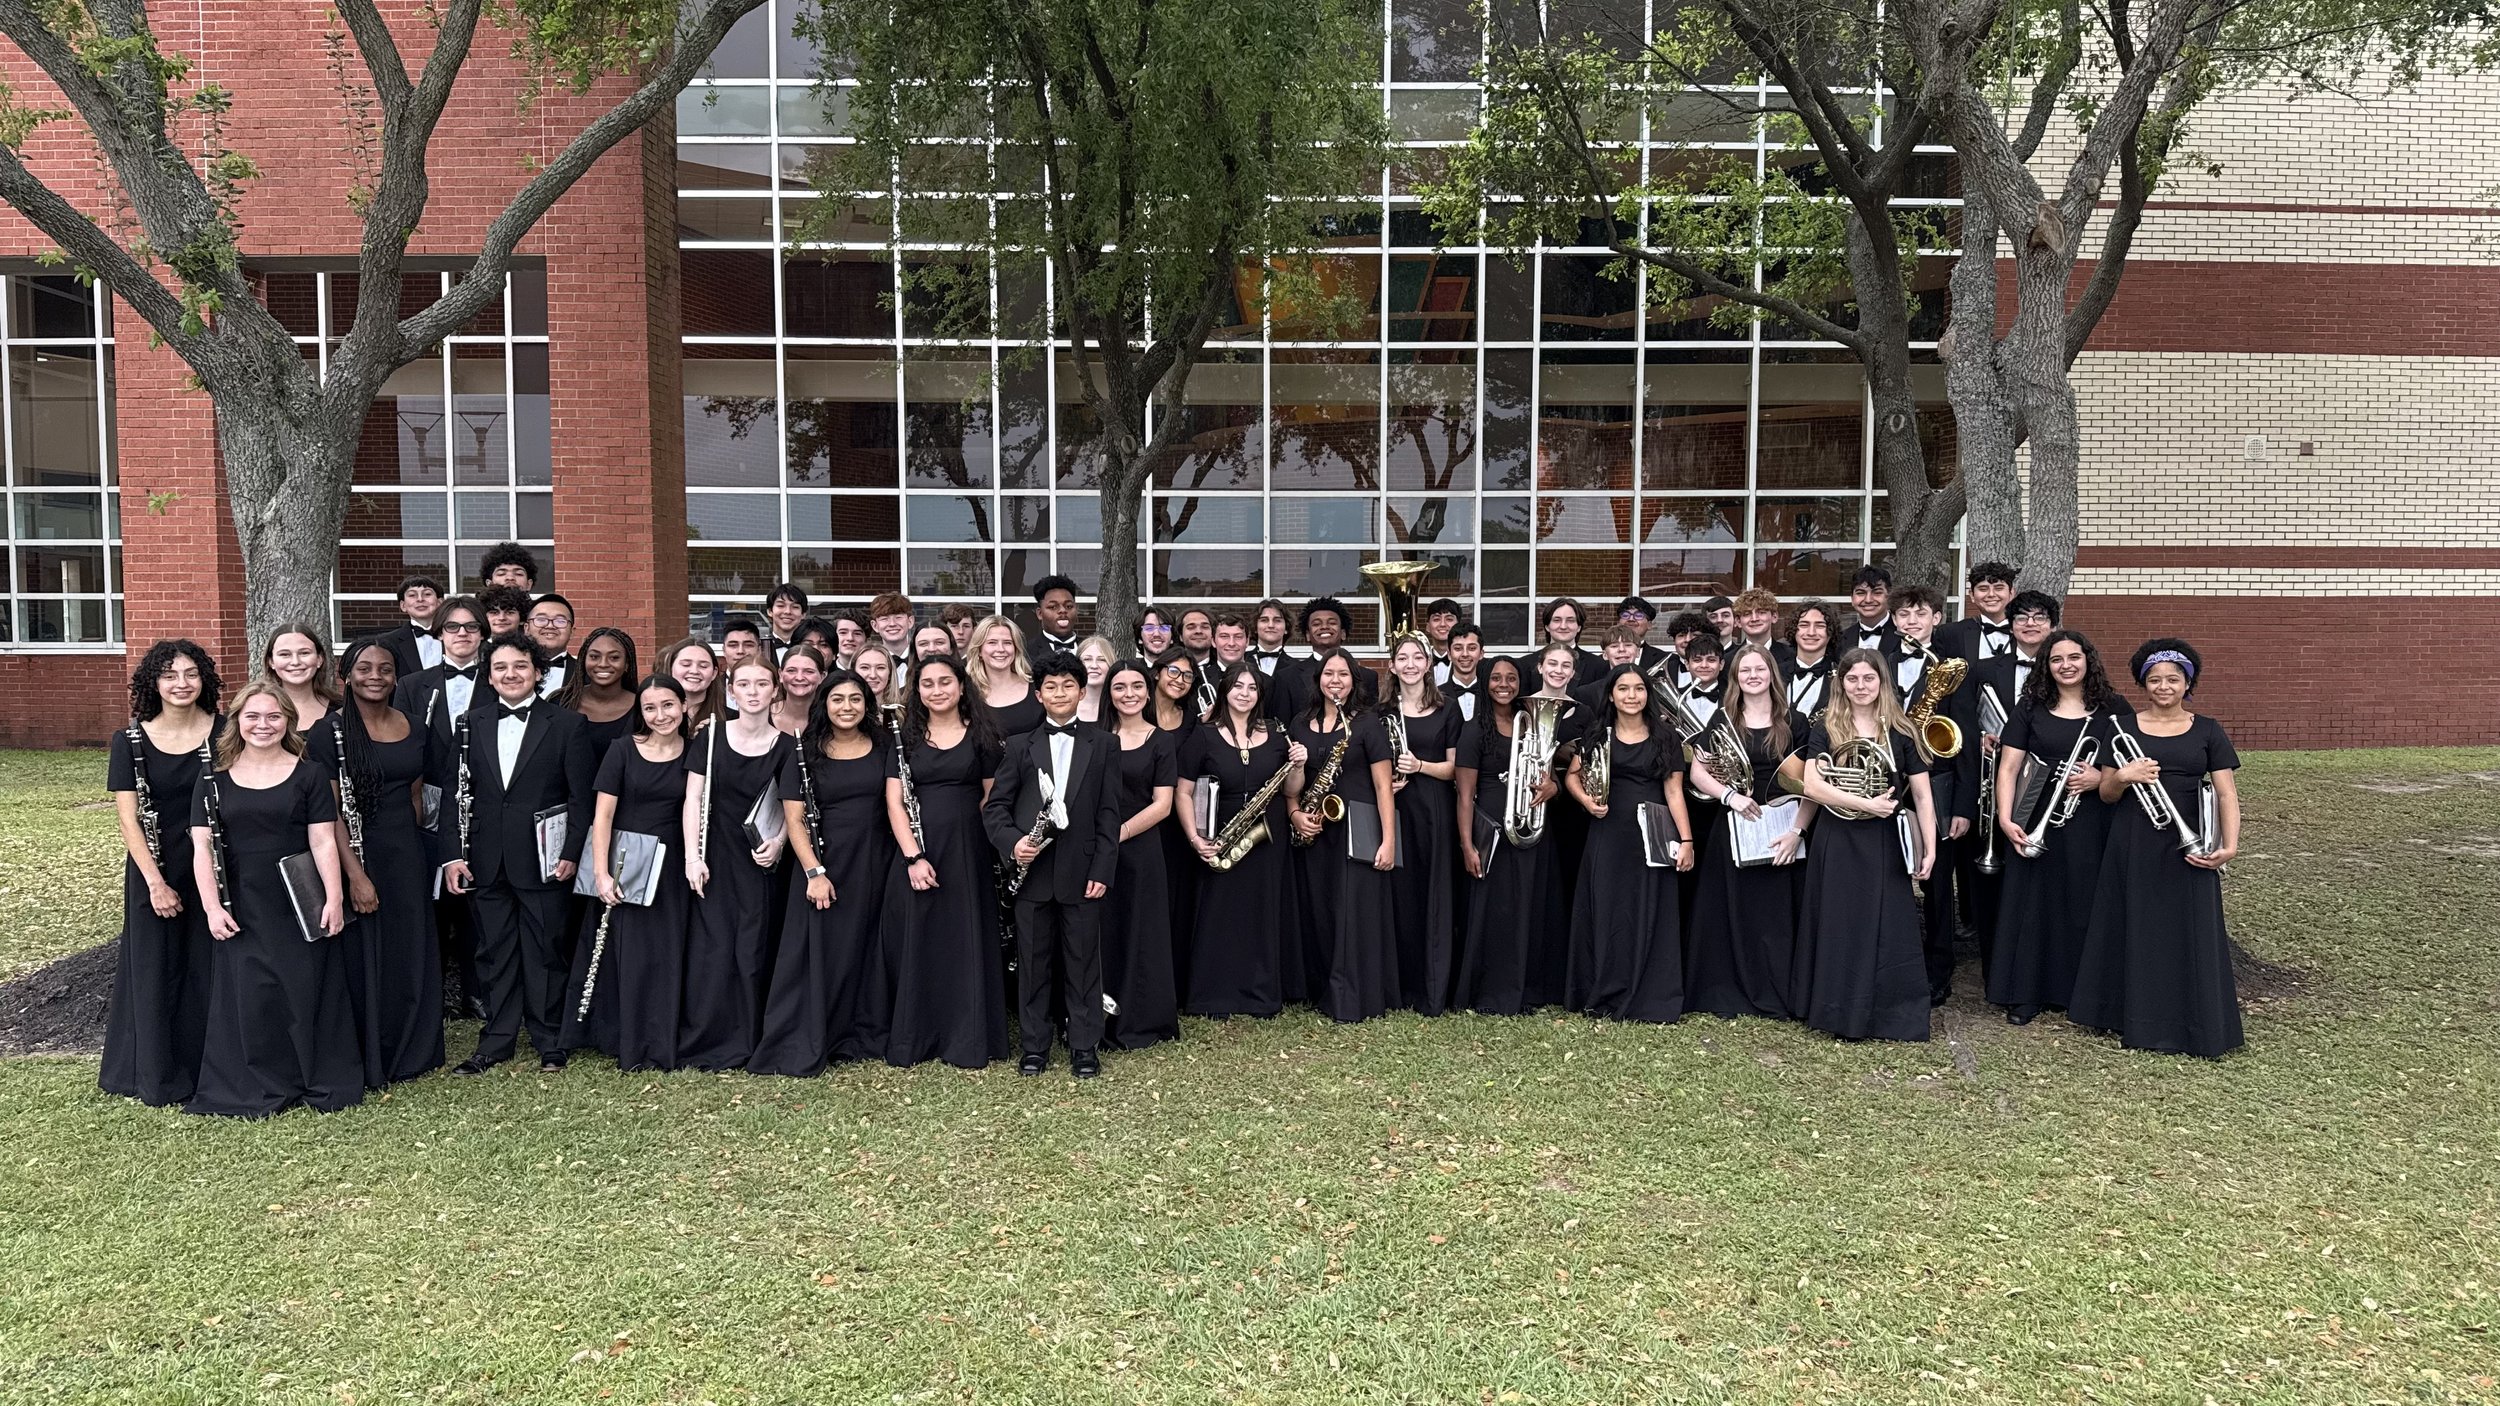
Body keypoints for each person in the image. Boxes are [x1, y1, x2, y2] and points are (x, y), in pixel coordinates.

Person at [184, 682, 360, 1117]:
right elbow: (201, 848)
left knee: (303, 988)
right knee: (251, 992)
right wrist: (211, 907)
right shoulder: (212, 780)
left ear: (288, 721)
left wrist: (334, 899)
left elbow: (322, 841)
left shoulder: (309, 774)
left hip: (297, 899)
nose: (263, 725)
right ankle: (260, 1082)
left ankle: (310, 1077)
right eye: (253, 717)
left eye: (273, 716)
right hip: (241, 900)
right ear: (237, 722)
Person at [2068, 640, 2244, 1058]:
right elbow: (2108, 794)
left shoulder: (2208, 730)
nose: (2164, 687)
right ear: (2143, 684)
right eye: (2154, 680)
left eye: (2173, 679)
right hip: (2134, 838)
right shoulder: (2121, 726)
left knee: (2187, 928)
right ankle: (2129, 1016)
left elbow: (2226, 795)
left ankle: (2191, 1020)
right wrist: (2125, 774)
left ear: (2188, 683)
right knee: (2133, 924)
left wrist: (2230, 846)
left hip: (2190, 840)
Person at [439, 634, 596, 1075]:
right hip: (485, 859)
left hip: (544, 859)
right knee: (494, 951)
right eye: (501, 668)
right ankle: (496, 1040)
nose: (511, 675)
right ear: (489, 676)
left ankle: (550, 1039)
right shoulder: (470, 723)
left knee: (546, 948)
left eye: (521, 666)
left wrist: (570, 852)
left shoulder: (568, 725)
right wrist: (452, 855)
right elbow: (454, 794)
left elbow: (580, 798)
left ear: (538, 671)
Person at [984, 654, 1124, 1078]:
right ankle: (1035, 1047)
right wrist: (1013, 845)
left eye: (1068, 686)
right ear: (1038, 693)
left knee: (1083, 962)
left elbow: (1109, 813)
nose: (1059, 693)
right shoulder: (1019, 744)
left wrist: (1102, 869)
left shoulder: (1104, 744)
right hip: (1032, 875)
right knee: (1032, 962)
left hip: (1082, 874)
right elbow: (996, 809)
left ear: (1082, 692)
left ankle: (1084, 1046)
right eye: (1051, 686)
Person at [750, 670, 892, 1076]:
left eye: (855, 699)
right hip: (822, 865)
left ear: (867, 704)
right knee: (818, 951)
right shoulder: (804, 751)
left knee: (864, 947)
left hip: (873, 860)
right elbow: (793, 821)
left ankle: (858, 1034)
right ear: (823, 705)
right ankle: (813, 1035)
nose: (846, 707)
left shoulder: (884, 747)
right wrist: (814, 872)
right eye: (837, 700)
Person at [1792, 648, 1938, 1043]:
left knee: (1887, 923)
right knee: (1839, 922)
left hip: (1884, 838)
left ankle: (1889, 1014)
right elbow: (1813, 786)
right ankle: (1836, 1008)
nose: (1860, 686)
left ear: (1882, 682)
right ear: (1841, 683)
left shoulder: (1902, 730)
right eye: (1852, 679)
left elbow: (1922, 795)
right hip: (1837, 838)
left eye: (1868, 679)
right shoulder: (1826, 728)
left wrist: (1930, 847)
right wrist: (1866, 804)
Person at [314, 638, 443, 1087]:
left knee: (409, 948)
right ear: (345, 677)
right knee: (366, 953)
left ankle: (413, 1050)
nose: (375, 676)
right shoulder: (327, 733)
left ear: (396, 676)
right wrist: (355, 877)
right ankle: (372, 1053)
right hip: (358, 854)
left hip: (406, 851)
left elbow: (415, 796)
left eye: (385, 669)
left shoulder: (412, 725)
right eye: (364, 668)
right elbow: (326, 813)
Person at [101, 640, 223, 1107]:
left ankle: (209, 1067)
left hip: (215, 867)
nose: (181, 684)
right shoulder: (128, 741)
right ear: (154, 682)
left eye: (191, 674)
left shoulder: (227, 731)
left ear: (204, 680)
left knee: (209, 965)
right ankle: (156, 1072)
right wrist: (154, 882)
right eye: (170, 675)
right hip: (157, 870)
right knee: (156, 968)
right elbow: (128, 820)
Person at [873, 655, 1008, 1069]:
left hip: (968, 851)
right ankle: (920, 1035)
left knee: (965, 939)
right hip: (918, 850)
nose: (937, 690)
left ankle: (966, 1036)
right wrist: (913, 856)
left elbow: (992, 796)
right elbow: (894, 802)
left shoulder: (982, 736)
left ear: (961, 686)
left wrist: (974, 836)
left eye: (945, 682)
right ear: (918, 691)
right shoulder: (904, 739)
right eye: (927, 684)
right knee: (921, 939)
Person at [1985, 629, 2118, 1025]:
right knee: (2032, 905)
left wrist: (2099, 779)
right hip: (2033, 814)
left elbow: (2126, 763)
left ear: (2088, 660)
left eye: (2074, 657)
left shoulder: (2112, 707)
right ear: (2046, 665)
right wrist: (2005, 818)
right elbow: (2007, 767)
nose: (2066, 666)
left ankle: (2077, 992)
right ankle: (2025, 994)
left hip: (2090, 819)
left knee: (2081, 903)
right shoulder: (2030, 707)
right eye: (2056, 659)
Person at [568, 674, 694, 1073]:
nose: (661, 715)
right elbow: (602, 816)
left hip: (673, 866)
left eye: (669, 705)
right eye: (651, 707)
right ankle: (624, 1034)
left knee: (667, 951)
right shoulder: (622, 749)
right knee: (628, 953)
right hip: (626, 863)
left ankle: (663, 1035)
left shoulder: (696, 753)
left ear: (684, 706)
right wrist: (601, 873)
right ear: (640, 712)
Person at [1682, 644, 1814, 1020]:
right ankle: (1730, 988)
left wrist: (1797, 833)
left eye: (1759, 669)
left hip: (1785, 829)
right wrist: (1730, 797)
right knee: (1732, 912)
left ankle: (1776, 989)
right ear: (1735, 678)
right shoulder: (1723, 721)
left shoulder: (1797, 721)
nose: (1753, 676)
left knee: (1775, 917)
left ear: (1772, 673)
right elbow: (1697, 771)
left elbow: (1810, 783)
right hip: (1738, 826)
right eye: (1745, 671)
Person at [1560, 664, 1693, 1022]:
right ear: (1611, 694)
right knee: (1607, 909)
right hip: (1608, 832)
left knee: (1650, 909)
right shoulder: (1597, 734)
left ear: (1648, 694)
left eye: (1638, 688)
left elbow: (1674, 792)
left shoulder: (1666, 736)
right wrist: (1586, 801)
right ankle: (1606, 988)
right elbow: (1573, 776)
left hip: (1653, 831)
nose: (1631, 696)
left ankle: (1650, 994)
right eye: (1623, 688)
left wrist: (1687, 840)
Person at [678, 660, 792, 1071]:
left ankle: (748, 1039)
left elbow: (791, 809)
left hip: (759, 860)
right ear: (730, 689)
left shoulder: (787, 745)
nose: (753, 691)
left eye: (762, 683)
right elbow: (692, 799)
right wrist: (692, 856)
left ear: (775, 689)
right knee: (712, 949)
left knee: (752, 949)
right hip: (715, 857)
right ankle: (706, 1037)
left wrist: (779, 844)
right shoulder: (709, 738)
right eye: (744, 683)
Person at [1176, 663, 1306, 1018]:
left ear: (1260, 696)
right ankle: (1213, 995)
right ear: (1225, 690)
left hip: (1268, 836)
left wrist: (1298, 765)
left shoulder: (1278, 736)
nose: (1244, 693)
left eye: (1252, 688)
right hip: (1220, 832)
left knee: (1262, 914)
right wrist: (1194, 838)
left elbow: (1291, 790)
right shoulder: (1202, 734)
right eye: (1237, 686)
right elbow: (1183, 792)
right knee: (1219, 915)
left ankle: (1260, 994)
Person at [1286, 648, 1399, 1023]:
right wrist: (1297, 814)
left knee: (1353, 913)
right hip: (1317, 829)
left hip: (1359, 828)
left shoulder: (1367, 723)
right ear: (1318, 679)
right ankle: (1321, 990)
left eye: (1344, 675)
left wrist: (1388, 840)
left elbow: (1384, 787)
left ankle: (1352, 998)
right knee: (1321, 911)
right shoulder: (1300, 722)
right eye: (1329, 673)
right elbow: (1292, 787)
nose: (1335, 680)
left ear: (1355, 682)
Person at [1453, 656, 1565, 1015]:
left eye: (1512, 678)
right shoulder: (1473, 730)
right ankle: (1493, 992)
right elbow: (1465, 795)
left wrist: (1553, 787)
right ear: (1485, 682)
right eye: (1497, 678)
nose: (1504, 684)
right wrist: (1468, 844)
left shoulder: (1532, 723)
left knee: (1530, 908)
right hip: (1493, 832)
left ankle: (1530, 988)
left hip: (1531, 828)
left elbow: (1548, 776)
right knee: (1496, 913)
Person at [397, 596, 489, 1018]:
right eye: (453, 627)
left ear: (483, 634)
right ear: (439, 634)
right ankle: (438, 994)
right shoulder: (413, 685)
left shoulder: (501, 678)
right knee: (433, 899)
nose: (463, 634)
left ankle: (479, 990)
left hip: (486, 801)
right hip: (429, 797)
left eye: (472, 627)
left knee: (481, 897)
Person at [1886, 584, 1978, 1005]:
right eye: (1904, 614)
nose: (1912, 621)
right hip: (1887, 781)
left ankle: (1939, 971)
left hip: (1938, 784)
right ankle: (1894, 962)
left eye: (1920, 614)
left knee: (1939, 883)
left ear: (1937, 618)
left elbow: (1965, 739)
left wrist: (1963, 805)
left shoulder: (1953, 669)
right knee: (1890, 877)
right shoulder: (1880, 663)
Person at [1097, 659, 1181, 1049]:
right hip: (1097, 851)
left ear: (1149, 692)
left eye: (1136, 686)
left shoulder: (1161, 741)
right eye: (1119, 687)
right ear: (1109, 695)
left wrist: (1120, 832)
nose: (1128, 694)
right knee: (1103, 933)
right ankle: (1097, 1017)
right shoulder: (1094, 737)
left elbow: (1163, 805)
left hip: (1142, 850)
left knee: (1141, 932)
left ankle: (1143, 1020)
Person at [1382, 635, 1464, 1015]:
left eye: (1418, 657)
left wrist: (1419, 767)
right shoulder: (1380, 711)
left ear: (1429, 665)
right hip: (1394, 807)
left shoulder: (1447, 709)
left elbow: (1454, 769)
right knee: (1400, 895)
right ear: (1393, 666)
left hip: (1433, 809)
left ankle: (1432, 990)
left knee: (1433, 895)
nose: (1411, 663)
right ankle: (1398, 988)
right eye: (1403, 657)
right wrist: (1386, 781)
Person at [1148, 648, 1204, 991]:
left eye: (1187, 675)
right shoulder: (1133, 711)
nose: (1179, 680)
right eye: (1173, 671)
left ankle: (1175, 984)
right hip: (1141, 820)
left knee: (1177, 903)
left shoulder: (1194, 721)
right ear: (1156, 672)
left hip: (1178, 825)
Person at [1273, 597, 1377, 721]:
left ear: (1343, 633)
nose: (1324, 627)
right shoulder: (1286, 677)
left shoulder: (1368, 677)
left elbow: (1372, 725)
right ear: (1307, 635)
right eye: (1316, 624)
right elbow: (1281, 726)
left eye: (1332, 623)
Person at [556, 627, 639, 758]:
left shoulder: (643, 707)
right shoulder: (561, 701)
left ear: (627, 664)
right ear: (583, 660)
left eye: (614, 657)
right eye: (594, 656)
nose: (603, 664)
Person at [968, 615, 1043, 740]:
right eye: (992, 643)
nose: (1001, 649)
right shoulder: (966, 692)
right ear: (979, 650)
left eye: (1007, 643)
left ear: (1016, 649)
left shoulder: (1037, 687)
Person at [261, 623, 340, 732]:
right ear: (271, 662)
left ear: (319, 659)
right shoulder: (254, 710)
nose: (295, 662)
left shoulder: (343, 710)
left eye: (304, 653)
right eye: (285, 654)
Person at [1936, 561, 2020, 662]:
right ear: (1972, 595)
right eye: (1983, 589)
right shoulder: (1949, 635)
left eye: (1998, 588)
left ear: (2011, 593)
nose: (1991, 594)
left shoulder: (2029, 632)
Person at [377, 574, 446, 682]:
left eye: (427, 594)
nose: (420, 599)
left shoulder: (456, 636)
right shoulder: (387, 643)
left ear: (439, 602)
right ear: (403, 606)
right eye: (412, 595)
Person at [656, 635, 726, 729]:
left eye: (703, 666)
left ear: (714, 673)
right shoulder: (652, 716)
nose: (694, 671)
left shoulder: (732, 720)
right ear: (671, 668)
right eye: (686, 665)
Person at [1783, 600, 1836, 718]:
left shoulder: (1841, 677)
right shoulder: (1775, 672)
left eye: (1820, 626)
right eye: (1804, 625)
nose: (1811, 632)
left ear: (1830, 632)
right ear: (1794, 630)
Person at [1540, 597, 1606, 686]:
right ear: (1547, 626)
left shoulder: (1598, 665)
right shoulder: (1525, 664)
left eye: (1570, 620)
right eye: (1557, 620)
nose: (1563, 626)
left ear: (1579, 627)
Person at [527, 593, 578, 696]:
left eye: (560, 621)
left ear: (572, 632)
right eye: (541, 619)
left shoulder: (586, 673)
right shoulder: (508, 669)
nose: (550, 626)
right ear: (526, 629)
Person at [774, 643, 826, 736]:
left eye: (809, 671)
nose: (799, 677)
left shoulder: (831, 717)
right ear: (780, 675)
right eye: (791, 670)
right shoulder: (763, 715)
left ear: (822, 677)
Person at [1028, 574, 1083, 662]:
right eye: (1053, 607)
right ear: (1040, 613)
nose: (1062, 610)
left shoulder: (1091, 649)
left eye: (1068, 606)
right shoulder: (1026, 653)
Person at [1842, 566, 1896, 654]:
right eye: (1861, 593)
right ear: (1852, 598)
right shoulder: (1841, 639)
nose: (1868, 600)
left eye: (1877, 592)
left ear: (1888, 596)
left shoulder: (1904, 634)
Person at [1440, 623, 1487, 721]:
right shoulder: (1436, 695)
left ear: (1481, 654)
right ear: (1449, 654)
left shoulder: (1491, 694)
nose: (1465, 654)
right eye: (1458, 648)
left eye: (1472, 648)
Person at [1617, 597, 1670, 673]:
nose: (1631, 619)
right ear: (1618, 623)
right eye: (1625, 615)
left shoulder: (1665, 659)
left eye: (1638, 615)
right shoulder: (1600, 661)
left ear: (1649, 625)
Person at [1074, 635, 1116, 723]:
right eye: (1087, 659)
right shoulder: (1066, 706)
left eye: (1102, 660)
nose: (1094, 666)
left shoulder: (1119, 708)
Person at [1731, 588, 1783, 659]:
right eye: (1747, 614)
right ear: (1738, 621)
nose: (1754, 619)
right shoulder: (1728, 660)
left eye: (1761, 612)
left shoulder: (1792, 656)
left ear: (1774, 616)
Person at [867, 592, 916, 665]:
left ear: (910, 622)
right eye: (884, 619)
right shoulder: (868, 662)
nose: (892, 624)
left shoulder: (922, 657)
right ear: (875, 626)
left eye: (898, 617)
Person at [719, 616, 767, 688]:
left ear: (759, 650)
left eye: (748, 645)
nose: (740, 651)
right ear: (724, 650)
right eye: (733, 645)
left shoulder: (772, 686)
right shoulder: (710, 687)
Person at [764, 582, 809, 654]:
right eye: (781, 606)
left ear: (803, 614)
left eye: (795, 607)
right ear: (770, 611)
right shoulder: (760, 648)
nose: (788, 612)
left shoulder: (810, 649)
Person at [853, 643, 900, 711]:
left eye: (880, 668)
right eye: (865, 667)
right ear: (853, 671)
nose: (873, 675)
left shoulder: (906, 714)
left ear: (890, 673)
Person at [1250, 600, 1293, 674]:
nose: (1271, 625)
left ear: (1286, 628)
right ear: (1255, 627)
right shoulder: (1241, 660)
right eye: (1264, 620)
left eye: (1277, 620)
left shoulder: (1296, 667)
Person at [1423, 598, 1461, 668]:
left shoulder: (1472, 663)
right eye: (1436, 619)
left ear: (1459, 625)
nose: (1442, 624)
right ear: (1428, 626)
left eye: (1449, 619)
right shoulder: (1420, 661)